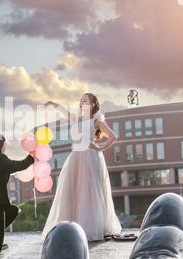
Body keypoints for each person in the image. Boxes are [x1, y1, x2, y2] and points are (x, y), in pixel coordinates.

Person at [41, 93, 122, 242]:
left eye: (85, 100)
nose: (82, 102)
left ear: (92, 105)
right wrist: (53, 103)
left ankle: (90, 228)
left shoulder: (96, 121)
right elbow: (64, 111)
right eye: (81, 100)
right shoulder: (76, 119)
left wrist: (100, 147)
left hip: (90, 156)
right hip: (76, 157)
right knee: (73, 192)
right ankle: (72, 227)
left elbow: (112, 136)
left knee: (88, 192)